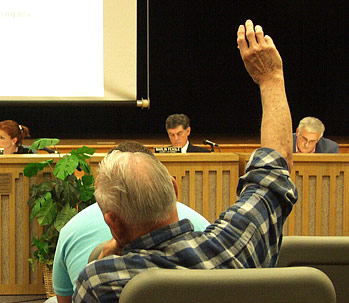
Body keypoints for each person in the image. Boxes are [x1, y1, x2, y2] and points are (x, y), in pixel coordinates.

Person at [73, 20, 297, 303]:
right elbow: (276, 166)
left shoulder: (101, 282)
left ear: (113, 224)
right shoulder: (233, 245)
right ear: (174, 191)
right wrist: (271, 78)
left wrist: (104, 257)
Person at [49, 141, 210, 303]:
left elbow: (64, 299)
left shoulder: (95, 283)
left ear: (114, 224)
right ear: (173, 188)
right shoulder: (216, 242)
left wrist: (98, 261)